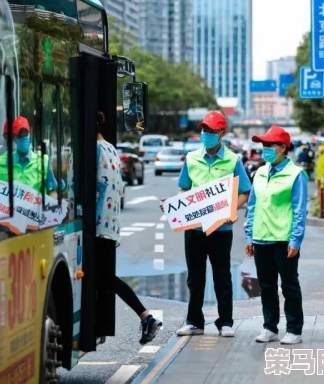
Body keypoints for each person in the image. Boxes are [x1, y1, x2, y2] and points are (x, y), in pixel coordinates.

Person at [164, 111, 252, 338]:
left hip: (221, 228)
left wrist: (231, 211)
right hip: (194, 228)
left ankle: (225, 322)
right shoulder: (191, 158)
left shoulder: (233, 160)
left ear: (222, 133)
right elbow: (184, 188)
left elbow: (245, 192)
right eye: (204, 130)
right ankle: (194, 321)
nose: (206, 134)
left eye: (211, 131)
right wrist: (179, 205)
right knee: (195, 276)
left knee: (222, 274)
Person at [95, 111, 162, 344]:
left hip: (95, 227)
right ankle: (145, 317)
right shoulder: (111, 149)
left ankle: (146, 317)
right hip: (110, 225)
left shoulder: (92, 151)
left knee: (106, 277)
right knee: (103, 277)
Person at [245, 125, 308, 345]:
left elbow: (300, 210)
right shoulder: (261, 172)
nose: (265, 149)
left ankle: (294, 329)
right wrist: (249, 236)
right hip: (261, 238)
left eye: (269, 145)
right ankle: (270, 327)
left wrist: (296, 239)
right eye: (263, 145)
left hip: (283, 240)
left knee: (289, 285)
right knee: (266, 286)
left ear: (282, 147)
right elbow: (252, 205)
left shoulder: (296, 174)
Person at [0, 116, 60, 198]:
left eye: (25, 134)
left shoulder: (43, 162)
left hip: (36, 210)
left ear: (29, 133)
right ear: (14, 137)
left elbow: (52, 192)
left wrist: (51, 207)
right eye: (19, 135)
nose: (23, 138)